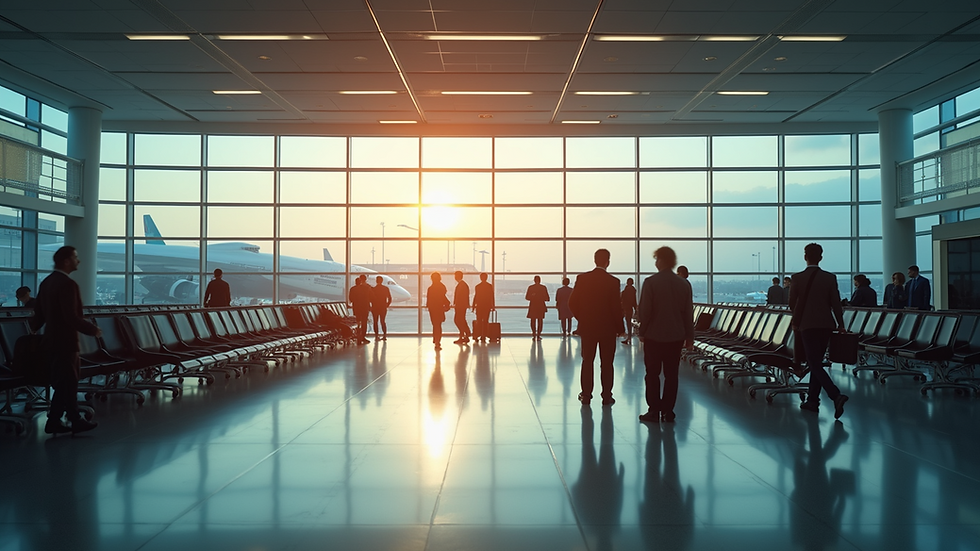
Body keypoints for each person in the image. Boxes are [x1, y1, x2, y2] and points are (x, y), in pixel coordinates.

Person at [29, 246, 101, 435]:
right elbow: (71, 317)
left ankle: (60, 420)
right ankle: (71, 419)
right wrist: (92, 329)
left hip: (50, 342)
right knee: (68, 381)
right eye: (76, 257)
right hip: (65, 342)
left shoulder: (46, 283)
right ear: (67, 261)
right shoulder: (68, 285)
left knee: (64, 383)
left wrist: (33, 330)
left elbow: (39, 314)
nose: (79, 261)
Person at [789, 243, 848, 419]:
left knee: (813, 362)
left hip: (807, 325)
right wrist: (841, 324)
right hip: (826, 325)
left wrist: (797, 319)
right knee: (816, 361)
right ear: (820, 257)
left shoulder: (797, 278)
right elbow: (836, 303)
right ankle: (812, 401)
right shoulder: (830, 278)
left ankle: (835, 395)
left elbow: (792, 304)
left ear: (805, 257)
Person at [637, 247, 693, 424]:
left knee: (652, 374)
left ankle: (653, 410)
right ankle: (668, 411)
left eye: (656, 259)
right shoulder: (683, 284)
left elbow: (645, 311)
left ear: (661, 261)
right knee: (672, 374)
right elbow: (688, 314)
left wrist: (642, 331)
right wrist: (689, 337)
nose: (655, 263)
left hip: (654, 336)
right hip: (676, 337)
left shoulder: (650, 282)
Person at [569, 249, 624, 406]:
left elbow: (572, 303)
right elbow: (616, 308)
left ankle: (586, 395)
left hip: (588, 328)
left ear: (594, 260)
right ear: (608, 261)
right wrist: (620, 328)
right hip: (608, 329)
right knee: (607, 363)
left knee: (587, 361)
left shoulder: (582, 279)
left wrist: (583, 318)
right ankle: (607, 396)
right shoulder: (613, 281)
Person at [426, 272, 449, 350]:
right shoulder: (442, 287)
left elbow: (429, 300)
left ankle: (436, 339)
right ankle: (437, 341)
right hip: (439, 308)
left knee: (435, 324)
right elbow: (443, 297)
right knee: (438, 325)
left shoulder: (430, 288)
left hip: (433, 309)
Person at [525, 275, 550, 340]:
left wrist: (533, 296)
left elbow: (527, 297)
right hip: (541, 306)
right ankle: (538, 335)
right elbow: (547, 298)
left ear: (534, 280)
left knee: (532, 321)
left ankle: (534, 334)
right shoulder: (543, 287)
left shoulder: (530, 288)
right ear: (540, 280)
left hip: (533, 306)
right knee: (540, 321)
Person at [472, 273, 495, 342]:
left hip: (479, 306)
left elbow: (476, 297)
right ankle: (484, 335)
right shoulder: (489, 286)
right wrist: (493, 305)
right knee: (485, 321)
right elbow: (491, 297)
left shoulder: (478, 286)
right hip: (487, 306)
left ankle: (477, 335)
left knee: (479, 321)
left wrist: (473, 306)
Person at [349, 274, 371, 344]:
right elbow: (371, 297)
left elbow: (351, 299)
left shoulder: (352, 289)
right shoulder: (367, 288)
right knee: (364, 322)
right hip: (365, 308)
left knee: (358, 322)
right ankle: (362, 337)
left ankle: (358, 336)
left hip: (356, 308)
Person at [452, 271, 471, 345]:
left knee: (458, 320)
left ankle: (465, 334)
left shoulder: (462, 285)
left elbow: (461, 297)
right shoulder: (462, 284)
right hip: (461, 306)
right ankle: (465, 335)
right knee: (461, 320)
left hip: (460, 306)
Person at [371, 275, 391, 340]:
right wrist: (387, 305)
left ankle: (376, 336)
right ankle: (384, 335)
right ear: (382, 281)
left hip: (375, 307)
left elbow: (370, 299)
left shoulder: (373, 289)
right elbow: (390, 298)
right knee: (383, 321)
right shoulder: (385, 289)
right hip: (383, 307)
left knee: (375, 322)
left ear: (376, 281)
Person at [621, 278, 638, 345]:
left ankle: (628, 337)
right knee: (628, 323)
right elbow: (634, 300)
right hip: (629, 308)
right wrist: (635, 308)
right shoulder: (633, 290)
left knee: (627, 322)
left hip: (625, 308)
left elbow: (623, 298)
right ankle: (629, 337)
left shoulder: (626, 290)